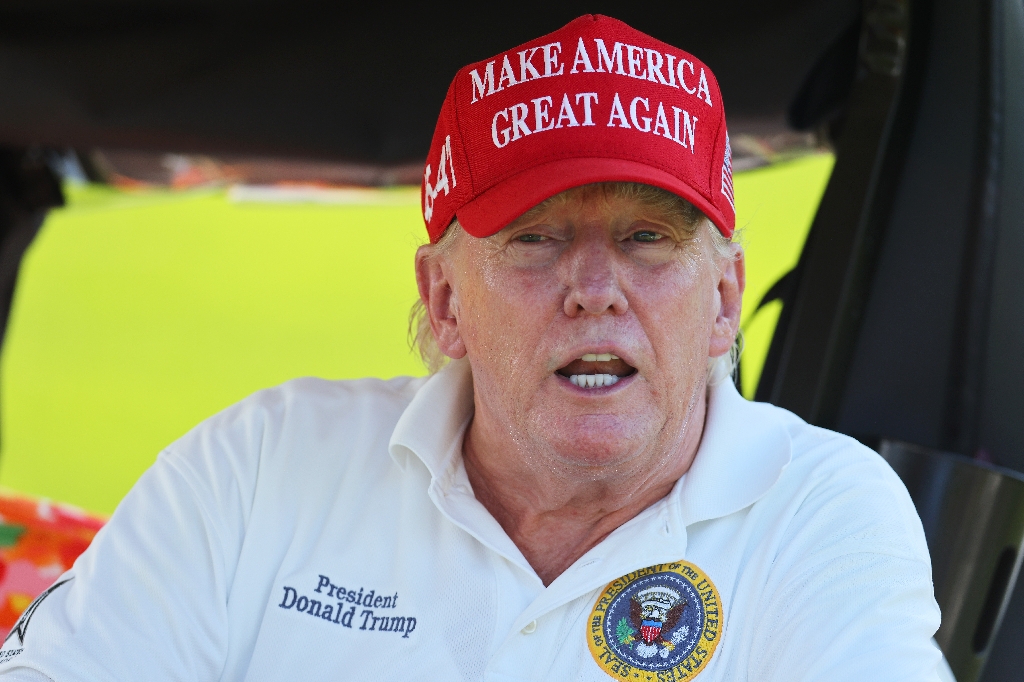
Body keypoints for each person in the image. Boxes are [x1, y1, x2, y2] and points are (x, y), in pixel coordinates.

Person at [0, 14, 943, 682]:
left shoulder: (821, 513)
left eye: (646, 238)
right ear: (443, 299)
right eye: (536, 239)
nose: (595, 288)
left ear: (724, 299)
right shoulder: (259, 465)